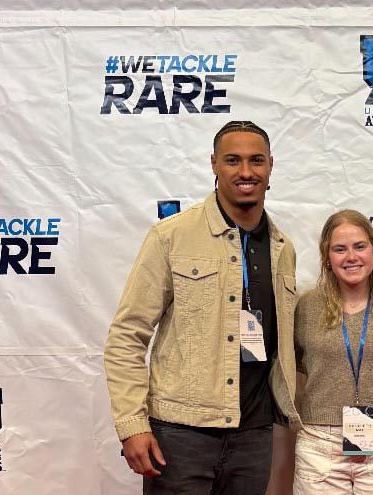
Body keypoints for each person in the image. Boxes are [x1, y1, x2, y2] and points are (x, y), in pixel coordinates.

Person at [104, 121, 301, 494]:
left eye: (256, 160)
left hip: (254, 434)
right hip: (181, 434)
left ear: (271, 166)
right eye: (233, 160)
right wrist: (133, 425)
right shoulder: (171, 236)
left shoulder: (282, 248)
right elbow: (126, 337)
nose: (246, 172)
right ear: (214, 164)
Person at [292, 209, 373, 494]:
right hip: (319, 444)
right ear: (327, 258)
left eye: (359, 246)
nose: (351, 257)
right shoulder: (305, 307)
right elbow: (292, 363)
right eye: (339, 249)